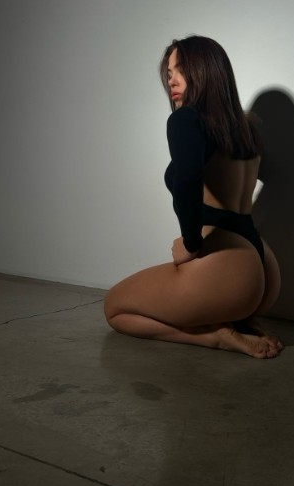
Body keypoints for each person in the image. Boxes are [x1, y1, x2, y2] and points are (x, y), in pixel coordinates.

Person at [104, 36, 282, 358]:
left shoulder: (186, 120)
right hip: (262, 266)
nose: (171, 80)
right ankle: (238, 319)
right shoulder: (246, 127)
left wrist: (190, 244)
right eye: (169, 72)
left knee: (114, 307)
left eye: (181, 69)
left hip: (226, 265)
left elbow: (187, 181)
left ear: (205, 71)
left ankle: (214, 337)